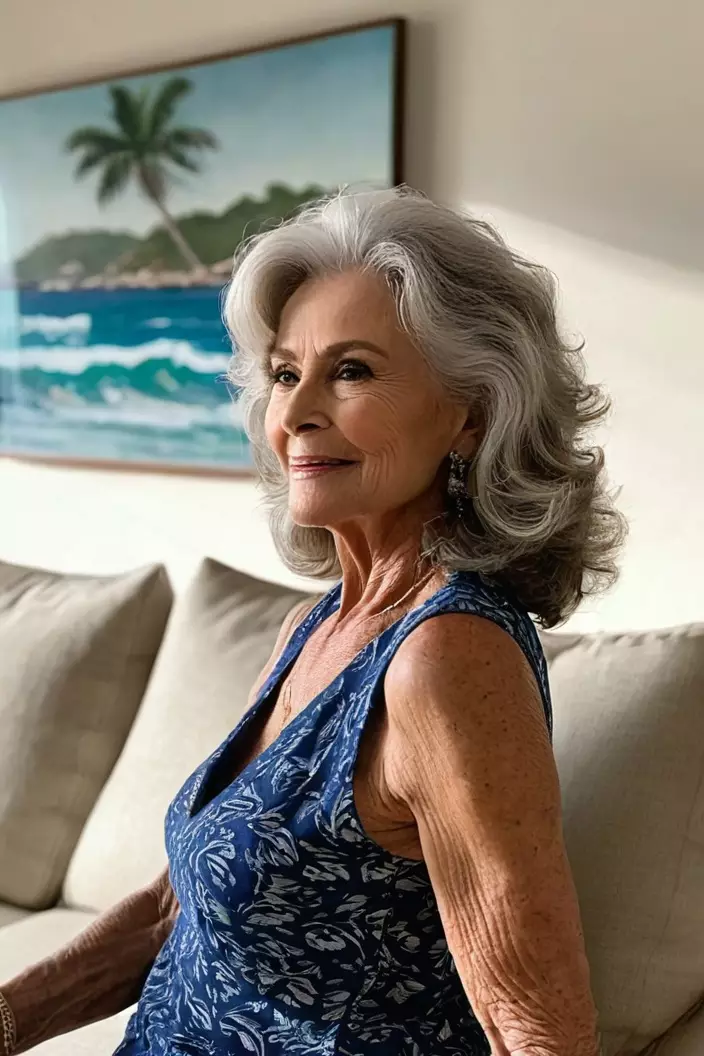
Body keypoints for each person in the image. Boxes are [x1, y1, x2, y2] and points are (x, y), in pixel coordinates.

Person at [0, 187, 625, 1056]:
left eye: (353, 370)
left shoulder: (445, 657)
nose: (292, 415)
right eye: (287, 374)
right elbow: (175, 915)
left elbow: (537, 1029)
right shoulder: (320, 624)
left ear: (471, 414)